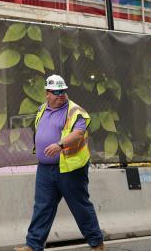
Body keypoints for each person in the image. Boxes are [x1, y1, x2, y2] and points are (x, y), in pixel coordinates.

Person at [15, 74, 105, 251]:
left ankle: (97, 244)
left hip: (70, 168)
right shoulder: (42, 109)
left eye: (62, 91)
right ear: (47, 93)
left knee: (80, 206)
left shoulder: (75, 111)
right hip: (45, 169)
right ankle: (33, 245)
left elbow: (78, 134)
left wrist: (59, 145)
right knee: (42, 207)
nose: (60, 94)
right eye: (56, 92)